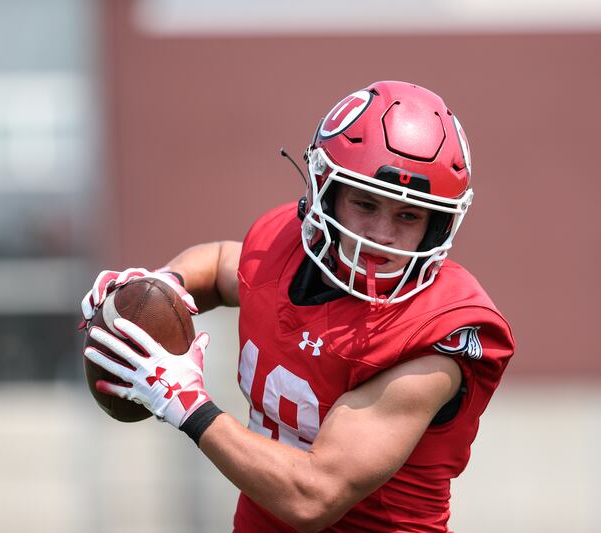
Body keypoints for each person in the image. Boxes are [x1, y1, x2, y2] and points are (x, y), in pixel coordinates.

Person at [81, 80, 515, 533]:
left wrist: (187, 404)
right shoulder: (282, 249)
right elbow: (219, 264)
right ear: (327, 193)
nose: (382, 235)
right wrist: (161, 283)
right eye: (365, 203)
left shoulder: (434, 335)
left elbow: (313, 495)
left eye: (408, 215)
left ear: (437, 226)